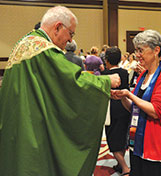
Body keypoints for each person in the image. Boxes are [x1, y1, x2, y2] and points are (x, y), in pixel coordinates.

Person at [0, 6, 121, 176]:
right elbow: (72, 81)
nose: (70, 41)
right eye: (71, 34)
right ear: (57, 27)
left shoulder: (24, 42)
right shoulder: (44, 50)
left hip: (16, 126)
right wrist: (106, 81)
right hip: (32, 131)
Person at [111, 30, 161, 176]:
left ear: (156, 50)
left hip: (156, 142)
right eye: (136, 50)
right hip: (138, 142)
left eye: (141, 50)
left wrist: (129, 94)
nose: (137, 55)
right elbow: (134, 108)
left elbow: (156, 111)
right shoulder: (144, 74)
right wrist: (123, 97)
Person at [102, 47, 131, 176]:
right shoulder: (125, 72)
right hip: (125, 107)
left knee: (112, 139)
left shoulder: (104, 75)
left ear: (106, 60)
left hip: (111, 109)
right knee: (122, 137)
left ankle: (125, 167)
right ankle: (120, 164)